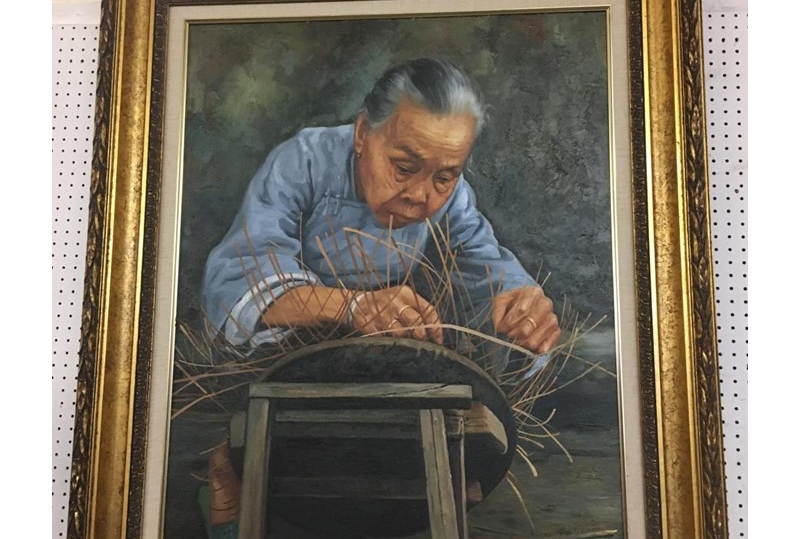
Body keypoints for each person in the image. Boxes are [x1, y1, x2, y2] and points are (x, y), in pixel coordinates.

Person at [202, 58, 560, 359]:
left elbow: (486, 263)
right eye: (403, 169)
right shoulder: (304, 162)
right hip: (288, 354)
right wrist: (352, 307)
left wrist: (520, 304)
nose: (419, 195)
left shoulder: (453, 198)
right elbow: (238, 278)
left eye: (444, 177)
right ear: (362, 133)